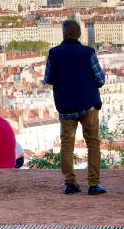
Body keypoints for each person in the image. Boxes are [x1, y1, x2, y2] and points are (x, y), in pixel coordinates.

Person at [44, 18, 106, 195]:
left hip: (65, 106)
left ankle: (70, 182)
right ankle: (93, 184)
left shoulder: (54, 53)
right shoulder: (88, 52)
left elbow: (48, 78)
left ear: (63, 34)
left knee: (67, 144)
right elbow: (100, 78)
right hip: (88, 104)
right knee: (92, 143)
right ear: (79, 34)